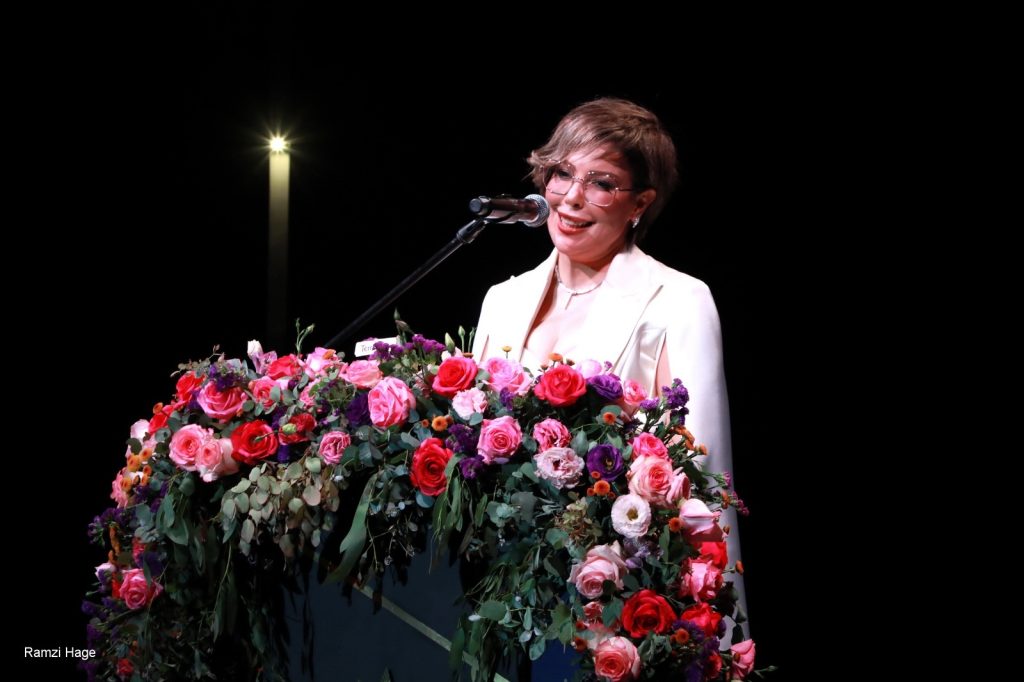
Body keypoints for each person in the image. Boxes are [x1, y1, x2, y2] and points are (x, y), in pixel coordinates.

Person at [471, 97, 747, 671]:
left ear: (640, 203)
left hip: (614, 606)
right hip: (496, 594)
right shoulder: (503, 299)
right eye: (561, 173)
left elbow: (703, 474)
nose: (571, 198)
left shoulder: (678, 300)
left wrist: (705, 638)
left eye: (601, 183)